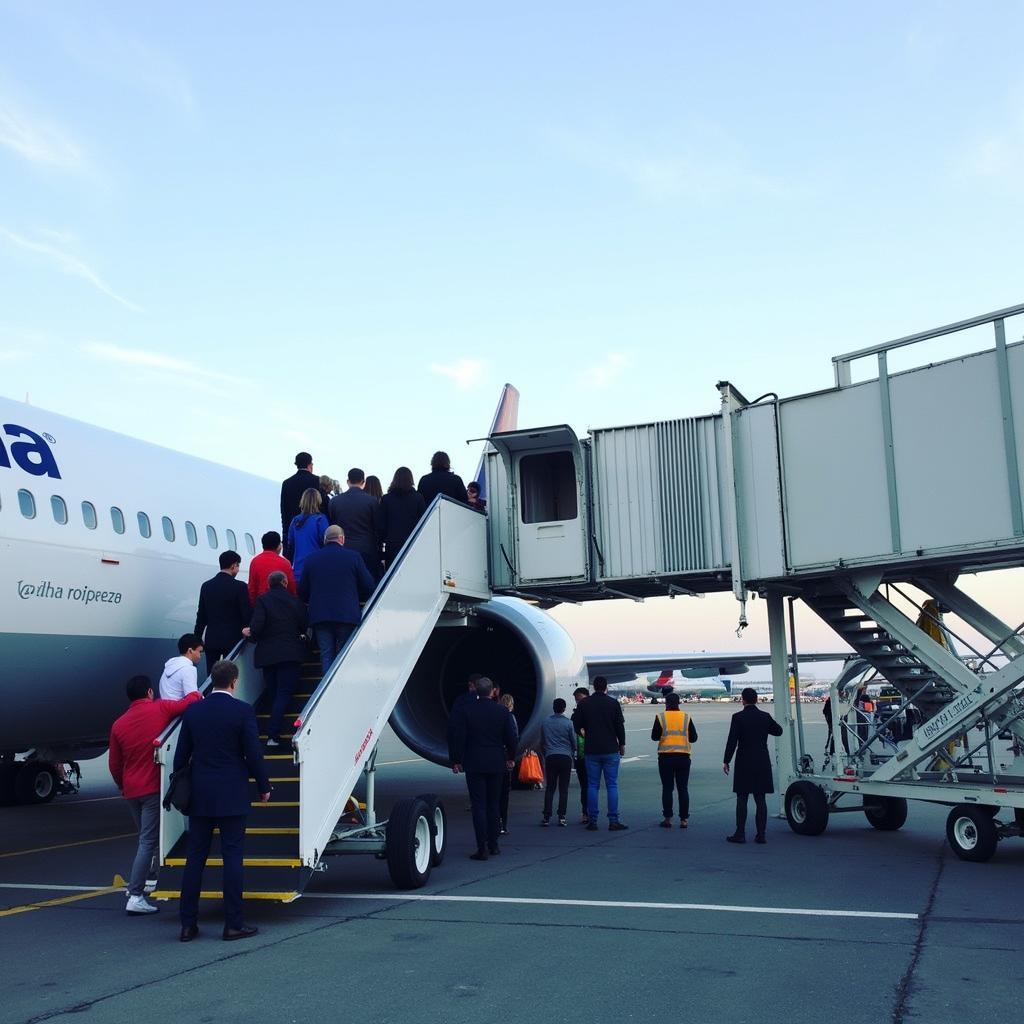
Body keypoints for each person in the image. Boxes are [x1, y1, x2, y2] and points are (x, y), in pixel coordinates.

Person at [174, 660, 271, 942]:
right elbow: (253, 753)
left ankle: (188, 924)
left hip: (200, 794)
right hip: (232, 793)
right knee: (232, 858)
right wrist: (263, 786)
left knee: (195, 859)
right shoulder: (242, 711)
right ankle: (233, 924)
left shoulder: (193, 711)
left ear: (212, 680)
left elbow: (181, 758)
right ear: (234, 682)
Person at [108, 675, 201, 916]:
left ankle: (152, 878)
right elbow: (190, 701)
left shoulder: (118, 724)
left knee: (146, 838)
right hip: (151, 787)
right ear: (150, 692)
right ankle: (136, 894)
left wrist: (122, 785)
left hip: (131, 789)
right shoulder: (160, 707)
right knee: (148, 841)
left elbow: (114, 764)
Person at [448, 676, 518, 861]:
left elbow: (459, 737)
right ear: (493, 691)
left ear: (475, 691)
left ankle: (482, 848)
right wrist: (511, 758)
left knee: (479, 805)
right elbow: (511, 738)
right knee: (493, 804)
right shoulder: (502, 712)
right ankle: (494, 845)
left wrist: (455, 760)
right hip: (496, 762)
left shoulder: (466, 711)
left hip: (474, 763)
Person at [298, 524, 375, 677]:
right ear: (342, 538)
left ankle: (326, 692)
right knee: (345, 655)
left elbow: (302, 591)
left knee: (326, 655)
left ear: (325, 540)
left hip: (320, 616)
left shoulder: (311, 559)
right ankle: (344, 687)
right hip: (346, 615)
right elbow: (369, 585)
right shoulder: (353, 557)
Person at [244, 571, 308, 751]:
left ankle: (272, 730)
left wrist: (248, 633)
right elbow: (304, 624)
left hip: (268, 655)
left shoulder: (263, 600)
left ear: (269, 584)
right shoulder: (294, 601)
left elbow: (257, 626)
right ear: (285, 582)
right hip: (290, 654)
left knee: (274, 693)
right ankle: (273, 734)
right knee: (284, 693)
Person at [723, 686, 784, 844]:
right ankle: (761, 834)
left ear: (742, 700)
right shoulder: (765, 716)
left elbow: (732, 741)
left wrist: (726, 760)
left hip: (744, 761)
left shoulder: (737, 717)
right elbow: (778, 731)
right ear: (757, 699)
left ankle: (740, 833)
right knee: (760, 798)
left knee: (742, 798)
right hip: (762, 760)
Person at [575, 676, 627, 831]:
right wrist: (622, 744)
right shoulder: (613, 703)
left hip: (592, 749)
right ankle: (613, 820)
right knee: (612, 785)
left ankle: (593, 820)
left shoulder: (584, 704)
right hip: (611, 749)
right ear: (606, 687)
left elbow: (576, 724)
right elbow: (620, 726)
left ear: (593, 687)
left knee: (592, 785)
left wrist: (584, 733)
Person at [194, 550, 251, 677]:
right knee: (230, 675)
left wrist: (197, 638)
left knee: (211, 675)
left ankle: (211, 694)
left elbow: (201, 616)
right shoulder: (240, 586)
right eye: (238, 566)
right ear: (233, 565)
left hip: (212, 639)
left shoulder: (206, 586)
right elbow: (246, 613)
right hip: (233, 639)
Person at [651, 692, 698, 828]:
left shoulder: (661, 717)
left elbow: (654, 736)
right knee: (683, 788)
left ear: (666, 703)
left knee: (667, 788)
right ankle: (684, 819)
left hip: (666, 757)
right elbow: (694, 738)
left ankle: (667, 818)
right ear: (679, 703)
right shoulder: (686, 717)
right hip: (683, 756)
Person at [328, 469, 381, 581]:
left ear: (348, 481)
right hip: (367, 549)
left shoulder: (335, 502)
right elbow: (377, 528)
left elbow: (332, 526)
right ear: (363, 481)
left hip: (343, 548)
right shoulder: (372, 501)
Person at [377, 470, 426, 570]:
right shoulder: (418, 498)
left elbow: (381, 524)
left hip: (392, 544)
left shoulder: (386, 499)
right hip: (412, 543)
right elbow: (423, 522)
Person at [540, 697, 575, 826]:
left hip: (551, 756)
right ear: (564, 708)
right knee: (563, 789)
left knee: (550, 787)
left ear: (553, 708)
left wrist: (546, 754)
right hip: (565, 757)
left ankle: (546, 816)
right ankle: (562, 816)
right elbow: (573, 742)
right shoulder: (568, 723)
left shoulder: (545, 722)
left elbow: (542, 741)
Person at [287, 488, 328, 583]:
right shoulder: (320, 519)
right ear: (318, 501)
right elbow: (326, 542)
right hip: (317, 568)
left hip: (298, 569)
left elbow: (290, 543)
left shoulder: (295, 520)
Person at [247, 531, 297, 603]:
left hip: (262, 605)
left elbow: (252, 589)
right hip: (281, 605)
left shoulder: (255, 562)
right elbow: (291, 588)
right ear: (277, 546)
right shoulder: (285, 563)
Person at [280, 452, 319, 536]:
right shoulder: (317, 481)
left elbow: (284, 510)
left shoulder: (287, 483)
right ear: (310, 465)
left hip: (293, 528)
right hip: (313, 530)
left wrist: (285, 532)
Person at [158, 634, 203, 700]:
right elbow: (193, 699)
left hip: (165, 706)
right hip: (179, 709)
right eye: (199, 651)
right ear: (190, 651)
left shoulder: (170, 664)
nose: (200, 656)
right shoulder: (189, 669)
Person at [571, 687, 590, 823]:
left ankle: (590, 812)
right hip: (581, 756)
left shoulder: (594, 713)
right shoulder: (575, 715)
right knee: (585, 785)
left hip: (593, 754)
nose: (579, 703)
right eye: (577, 700)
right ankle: (586, 812)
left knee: (591, 785)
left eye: (581, 699)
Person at [498, 692, 517, 834]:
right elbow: (513, 738)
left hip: (492, 758)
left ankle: (494, 822)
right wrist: (512, 758)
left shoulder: (492, 716)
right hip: (504, 758)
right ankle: (502, 824)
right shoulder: (510, 718)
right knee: (504, 794)